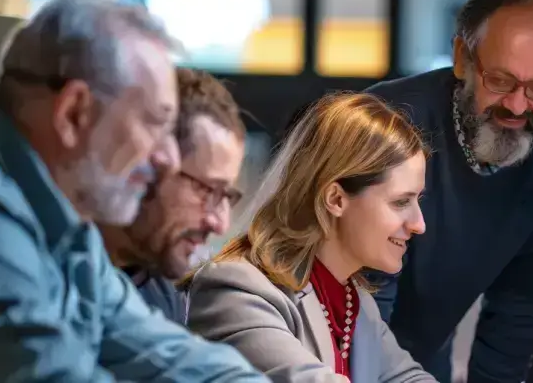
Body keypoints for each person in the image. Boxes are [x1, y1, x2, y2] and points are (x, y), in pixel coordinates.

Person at [0, 0, 267, 382]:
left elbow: (165, 352)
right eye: (154, 124)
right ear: (73, 112)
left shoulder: (64, 228)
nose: (168, 159)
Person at [364, 0, 533, 381]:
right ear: (462, 58)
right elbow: (365, 305)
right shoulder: (389, 123)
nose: (518, 106)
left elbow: (520, 301)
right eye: (500, 81)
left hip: (427, 356)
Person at [184, 92, 437, 383]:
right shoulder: (238, 289)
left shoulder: (357, 302)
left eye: (418, 200)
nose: (419, 225)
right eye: (400, 202)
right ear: (336, 199)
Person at [98, 67, 246, 324]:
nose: (220, 224)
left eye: (226, 196)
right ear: (151, 164)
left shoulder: (163, 291)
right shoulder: (48, 266)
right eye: (207, 190)